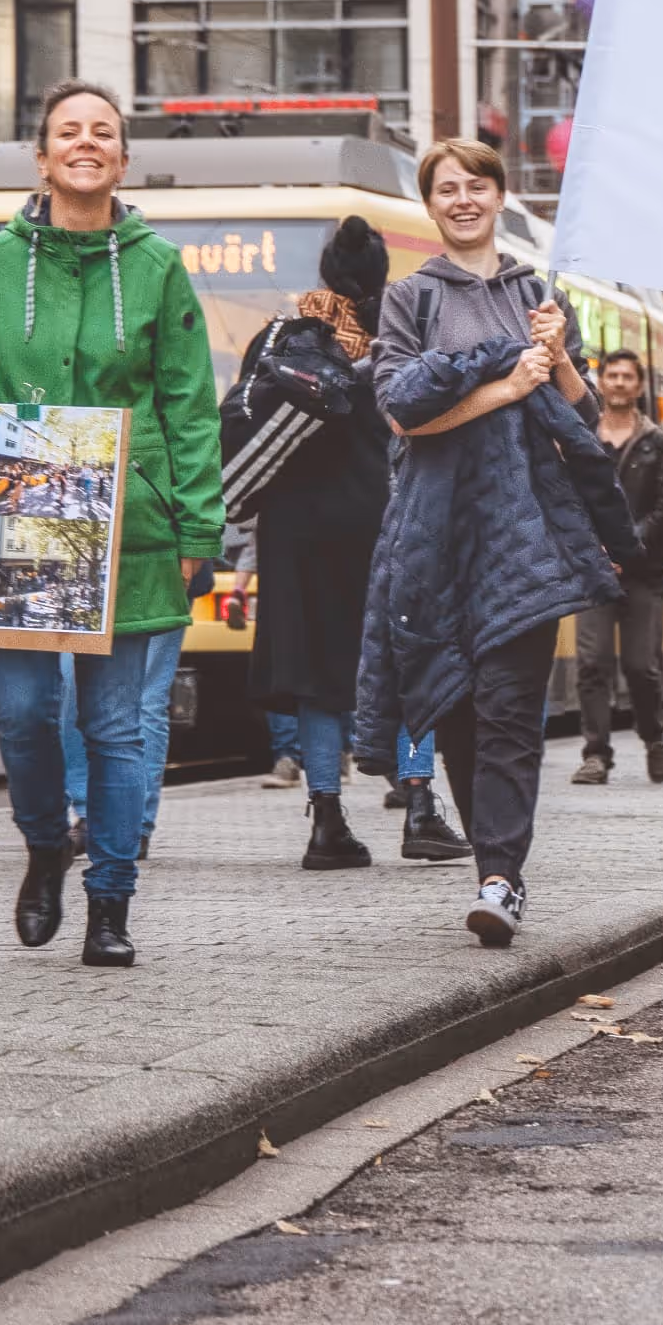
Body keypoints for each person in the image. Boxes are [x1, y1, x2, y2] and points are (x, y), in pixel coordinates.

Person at [0, 82, 221, 965]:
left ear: (121, 160)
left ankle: (110, 903)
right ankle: (47, 845)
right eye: (68, 132)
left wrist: (198, 529)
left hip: (135, 530)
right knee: (20, 713)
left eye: (103, 133)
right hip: (21, 522)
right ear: (44, 158)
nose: (86, 143)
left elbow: (191, 408)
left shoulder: (160, 267)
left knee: (117, 729)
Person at [355, 137, 638, 947]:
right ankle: (494, 862)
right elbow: (404, 412)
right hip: (437, 533)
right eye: (447, 189)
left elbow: (582, 419)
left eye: (477, 185)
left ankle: (499, 878)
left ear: (499, 197)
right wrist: (505, 385)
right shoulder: (411, 298)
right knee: (457, 707)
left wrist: (557, 364)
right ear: (432, 205)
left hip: (528, 534)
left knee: (512, 711)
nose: (464, 199)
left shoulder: (538, 294)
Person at [230, 216, 471, 873]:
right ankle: (420, 807)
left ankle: (328, 822)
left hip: (295, 532)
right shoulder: (402, 343)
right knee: (408, 661)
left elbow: (240, 424)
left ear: (325, 274)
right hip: (386, 521)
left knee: (314, 676)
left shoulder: (283, 338)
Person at [571, 349, 663, 786]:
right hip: (593, 571)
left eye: (627, 377)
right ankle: (595, 754)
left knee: (641, 666)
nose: (618, 382)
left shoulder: (658, 443)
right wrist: (594, 550)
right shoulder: (581, 435)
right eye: (611, 375)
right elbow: (568, 497)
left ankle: (653, 736)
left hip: (642, 572)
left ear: (639, 386)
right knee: (592, 663)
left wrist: (625, 548)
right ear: (602, 383)